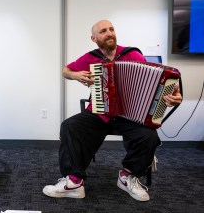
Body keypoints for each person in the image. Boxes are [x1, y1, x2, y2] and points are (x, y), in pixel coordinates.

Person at [42, 20, 182, 201]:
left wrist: (171, 95)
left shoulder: (133, 55)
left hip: (130, 115)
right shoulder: (91, 57)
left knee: (149, 137)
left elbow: (156, 84)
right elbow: (65, 70)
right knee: (70, 126)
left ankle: (127, 177)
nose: (109, 33)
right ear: (94, 38)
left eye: (111, 29)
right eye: (103, 31)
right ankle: (74, 182)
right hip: (100, 111)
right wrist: (76, 75)